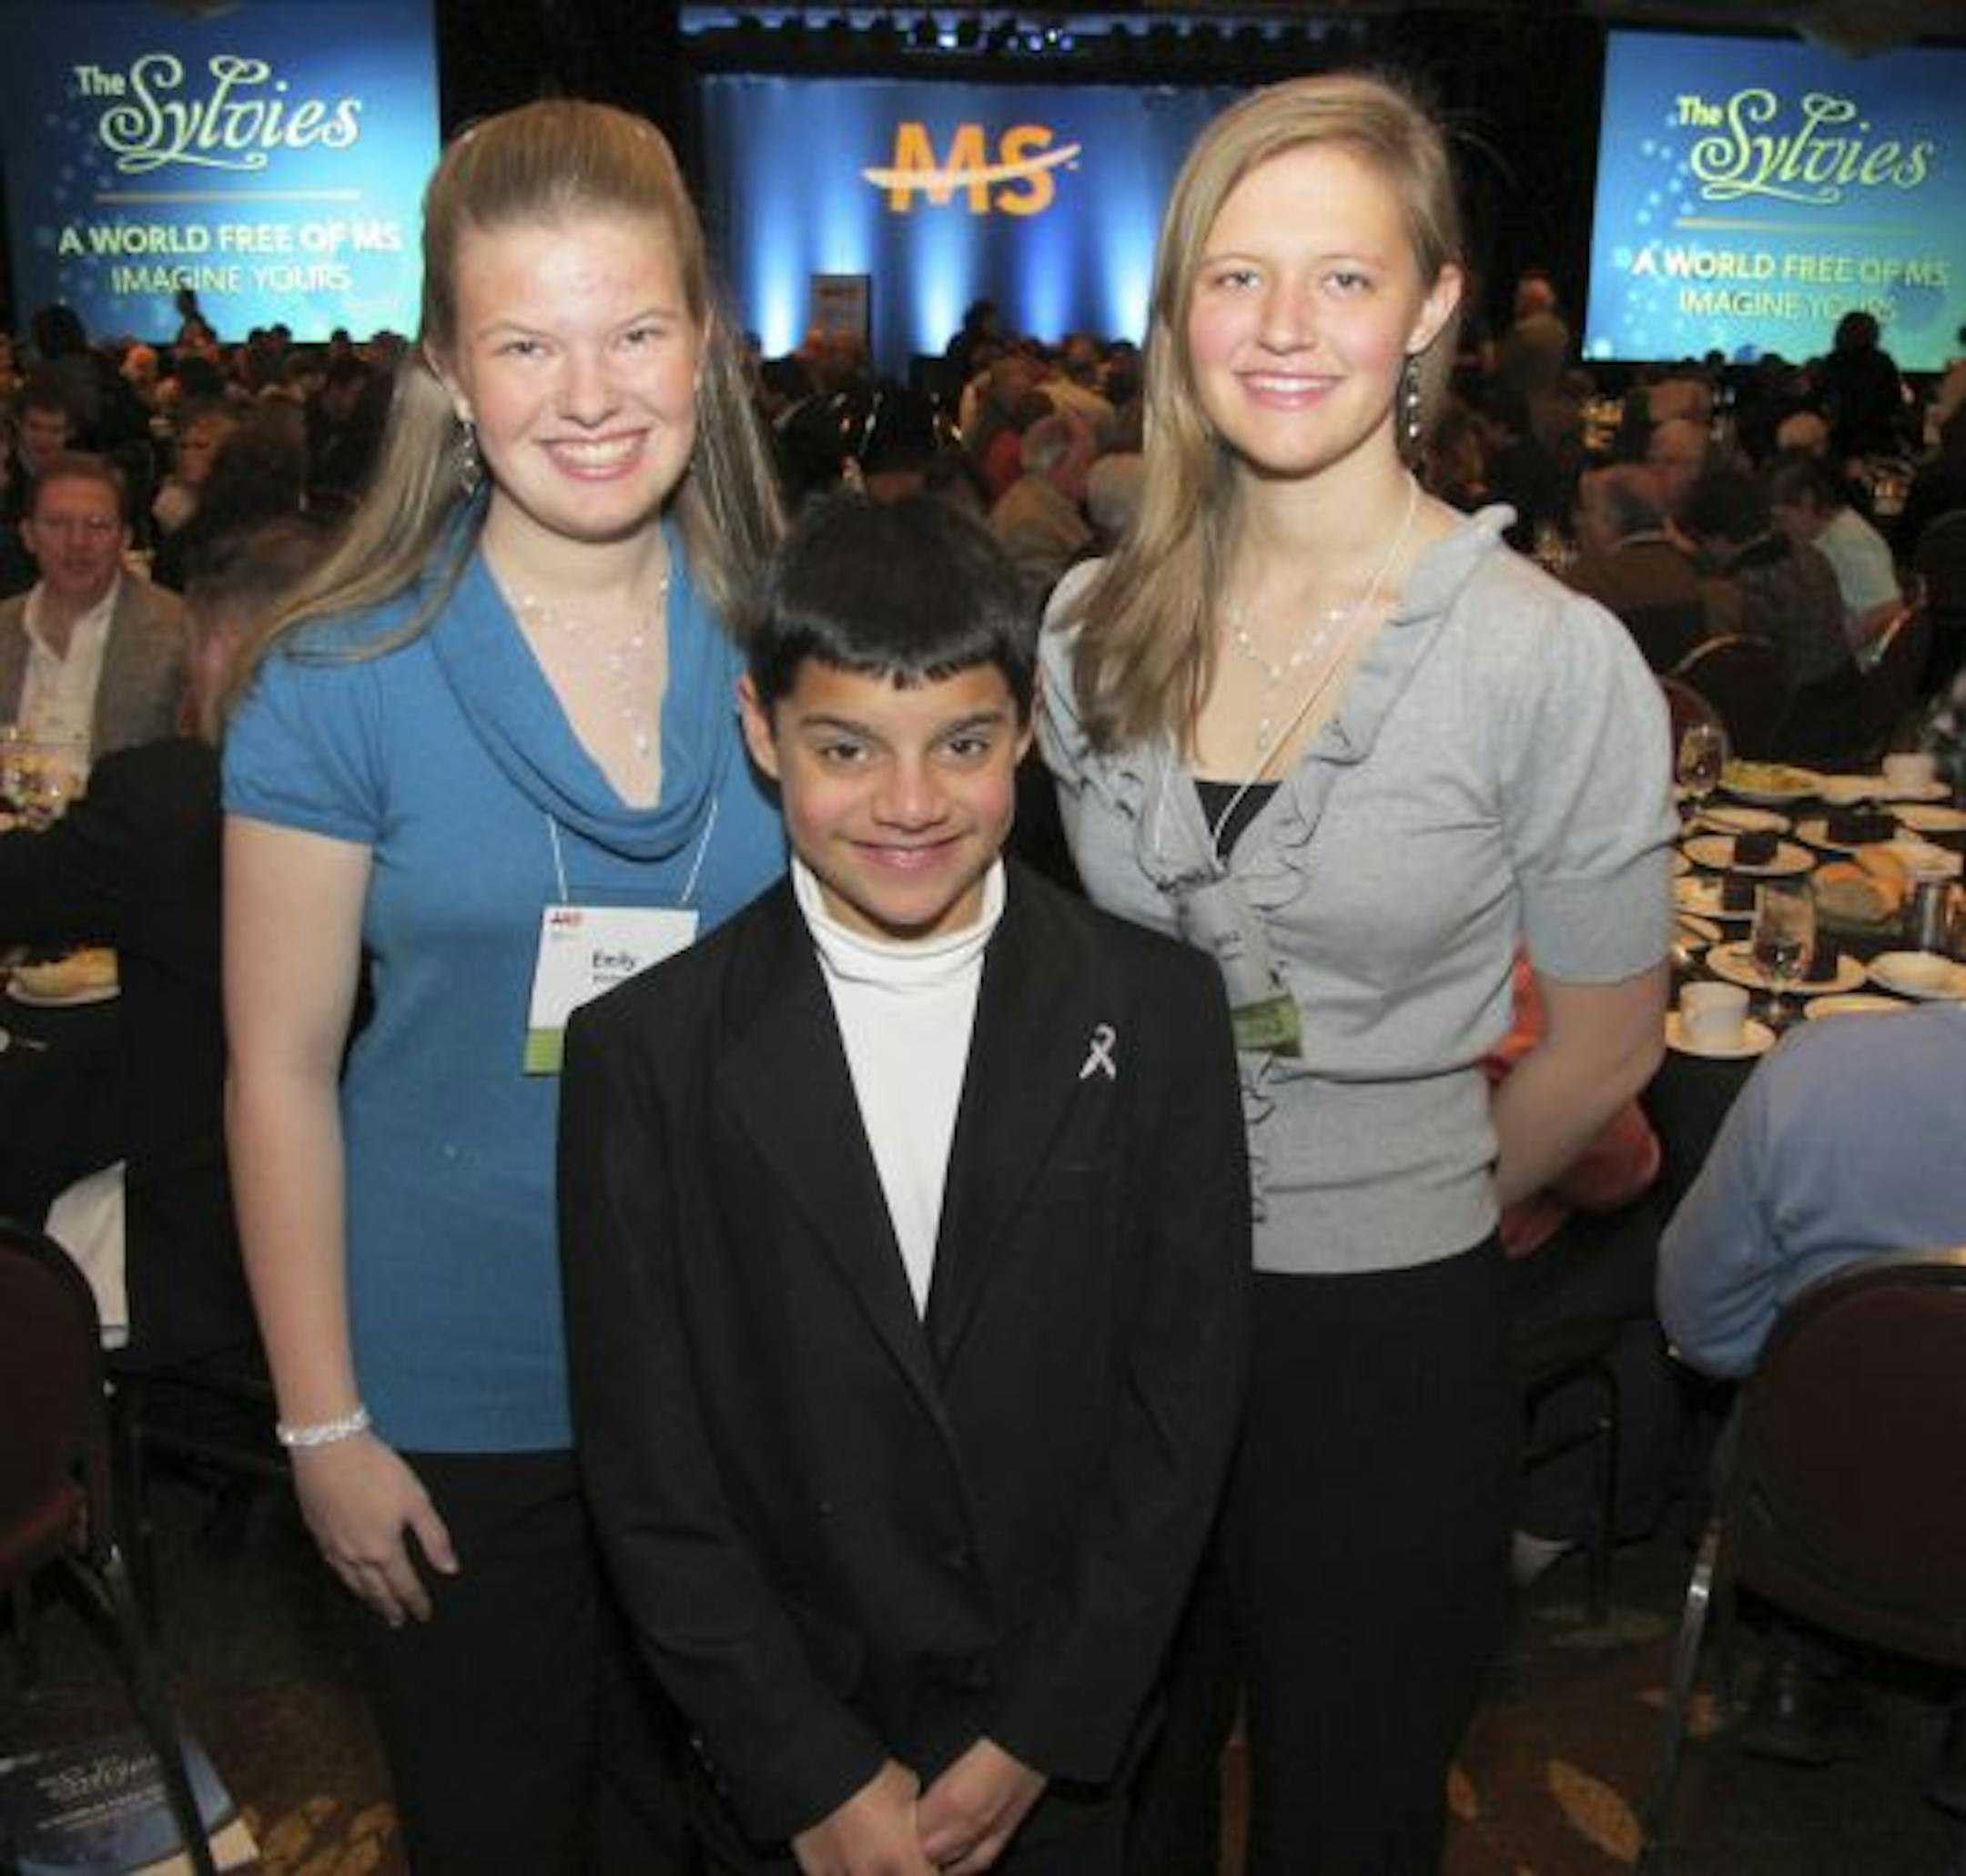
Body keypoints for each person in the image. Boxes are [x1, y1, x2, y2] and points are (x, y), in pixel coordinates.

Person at [1039, 72, 1673, 1871]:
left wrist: (1396, 1205)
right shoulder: (1088, 624)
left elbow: (1614, 1036)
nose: (1286, 329)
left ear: (1435, 308)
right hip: (1115, 1319)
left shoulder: (1550, 665)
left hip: (1387, 1342)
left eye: (1342, 279)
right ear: (1178, 315)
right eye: (1238, 279)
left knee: (1348, 1807)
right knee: (1116, 1788)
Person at [221, 98, 786, 1874]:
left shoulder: (800, 634)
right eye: (526, 341)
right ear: (450, 373)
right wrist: (322, 1419)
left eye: (634, 328)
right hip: (451, 1389)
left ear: (706, 340)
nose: (591, 391)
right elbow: (278, 1069)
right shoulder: (338, 673)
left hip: (742, 1377)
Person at [560, 492, 1250, 1875]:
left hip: (1071, 1747)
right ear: (763, 734)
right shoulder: (647, 1053)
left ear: (1029, 734)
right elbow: (649, 1462)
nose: (912, 802)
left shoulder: (1160, 1009)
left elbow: (1184, 1405)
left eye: (964, 744)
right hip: (796, 1750)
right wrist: (807, 1767)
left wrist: (1041, 1730)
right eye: (845, 748)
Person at [0, 451, 184, 766]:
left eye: (97, 525)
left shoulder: (177, 632)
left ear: (125, 538)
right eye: (57, 524)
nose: (77, 542)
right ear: (28, 536)